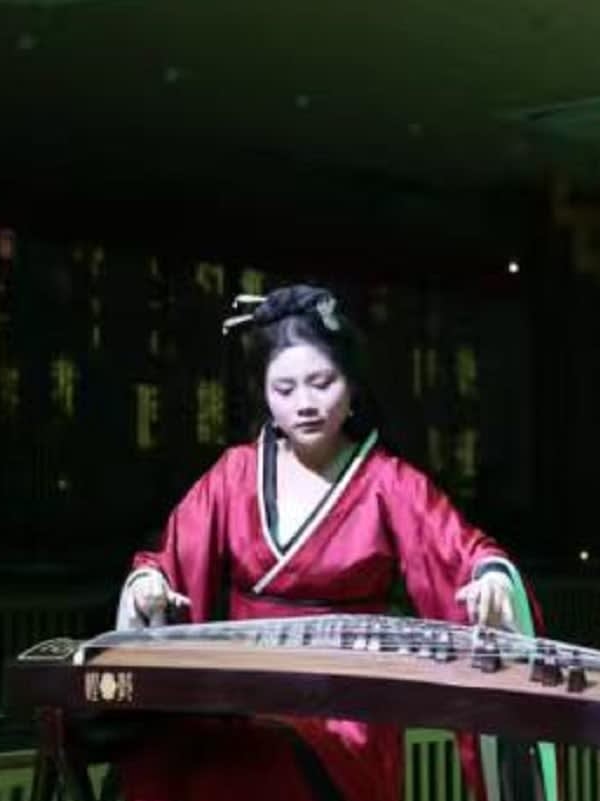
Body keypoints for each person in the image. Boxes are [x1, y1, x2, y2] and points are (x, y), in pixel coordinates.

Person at [112, 285, 542, 801]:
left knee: (286, 759)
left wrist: (490, 578)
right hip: (244, 695)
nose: (305, 404)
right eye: (285, 389)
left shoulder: (388, 483)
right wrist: (150, 583)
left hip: (348, 706)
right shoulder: (234, 474)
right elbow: (169, 560)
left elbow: (462, 550)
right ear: (265, 396)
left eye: (322, 383)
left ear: (351, 385)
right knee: (203, 760)